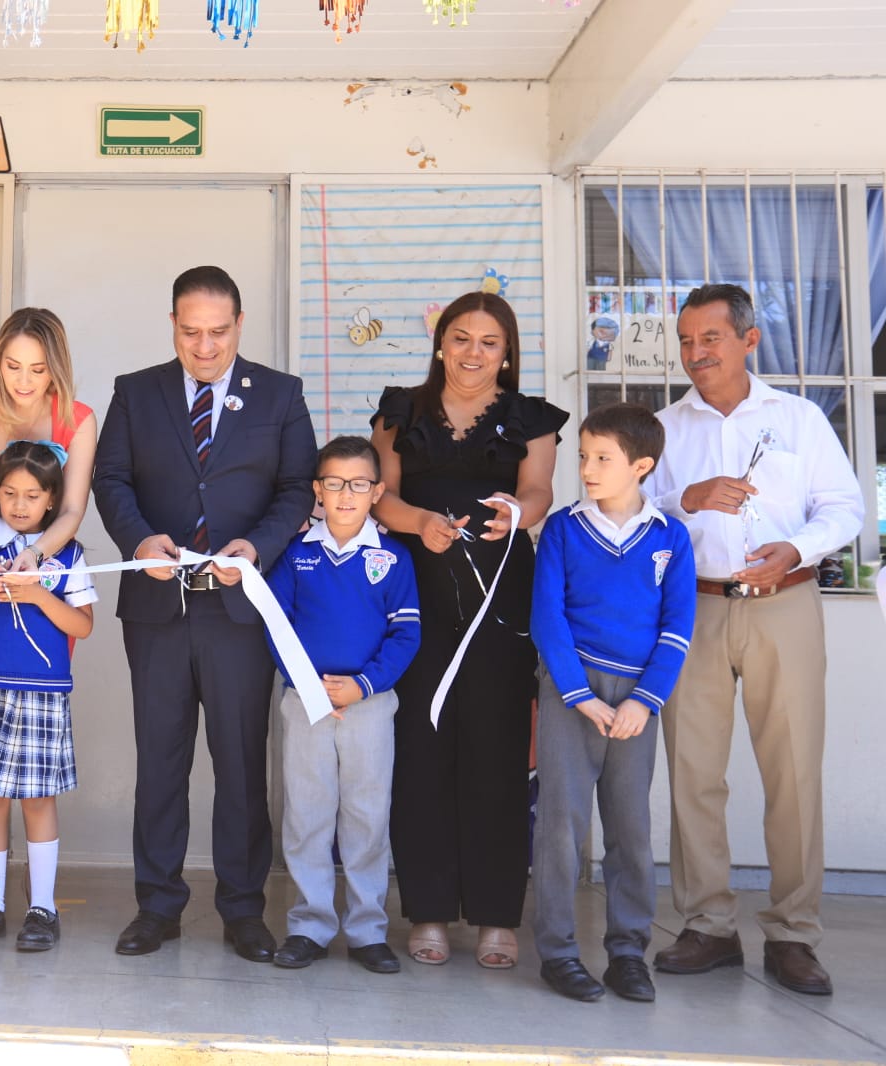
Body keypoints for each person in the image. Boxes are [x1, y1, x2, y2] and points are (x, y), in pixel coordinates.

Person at [94, 265, 317, 961]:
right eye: (191, 332)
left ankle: (244, 909)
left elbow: (296, 488)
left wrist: (259, 546)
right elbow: (111, 478)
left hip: (240, 612)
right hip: (159, 608)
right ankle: (156, 906)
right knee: (160, 762)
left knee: (242, 763)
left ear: (239, 325)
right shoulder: (136, 393)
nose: (205, 346)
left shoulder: (280, 395)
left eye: (218, 332)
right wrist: (138, 539)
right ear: (173, 326)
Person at [648, 284, 863, 997]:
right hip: (693, 608)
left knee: (793, 773)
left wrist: (795, 549)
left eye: (710, 338)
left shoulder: (799, 419)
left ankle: (794, 934)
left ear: (748, 340)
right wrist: (686, 498)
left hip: (783, 604)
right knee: (693, 771)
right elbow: (622, 504)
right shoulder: (664, 428)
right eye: (685, 341)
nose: (695, 353)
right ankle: (706, 924)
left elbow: (845, 507)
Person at [369, 291, 567, 969]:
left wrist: (519, 511)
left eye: (488, 341)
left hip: (502, 602)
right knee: (421, 753)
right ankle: (427, 911)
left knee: (498, 755)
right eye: (460, 338)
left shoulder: (531, 419)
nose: (473, 353)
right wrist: (418, 523)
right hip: (415, 599)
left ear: (507, 350)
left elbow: (539, 492)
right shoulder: (400, 408)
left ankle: (495, 916)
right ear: (439, 342)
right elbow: (382, 496)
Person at [529, 402, 696, 1003]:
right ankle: (557, 951)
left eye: (603, 458)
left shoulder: (670, 537)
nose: (588, 468)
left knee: (630, 828)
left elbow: (677, 627)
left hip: (635, 704)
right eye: (583, 457)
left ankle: (628, 953)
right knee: (560, 826)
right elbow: (548, 617)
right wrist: (576, 694)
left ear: (642, 465)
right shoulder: (565, 529)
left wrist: (645, 701)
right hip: (572, 694)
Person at [0, 307, 96, 931]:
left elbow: (73, 510)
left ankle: (39, 902)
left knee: (30, 774)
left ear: (55, 368)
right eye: (12, 366)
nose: (24, 381)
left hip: (41, 585)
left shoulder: (76, 418)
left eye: (37, 369)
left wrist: (35, 560)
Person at [264, 436, 420, 973]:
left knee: (366, 816)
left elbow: (405, 637)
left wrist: (362, 687)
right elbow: (276, 625)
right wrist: (309, 687)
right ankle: (309, 925)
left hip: (370, 706)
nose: (346, 495)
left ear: (377, 491)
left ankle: (367, 929)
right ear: (317, 491)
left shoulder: (393, 557)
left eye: (358, 485)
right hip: (304, 704)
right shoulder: (296, 554)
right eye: (334, 484)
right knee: (307, 815)